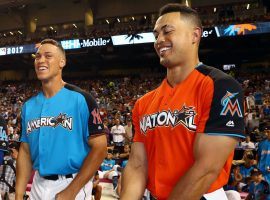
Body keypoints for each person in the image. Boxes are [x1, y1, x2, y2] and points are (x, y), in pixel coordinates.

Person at [121, 3, 245, 200]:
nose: (159, 40)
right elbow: (137, 165)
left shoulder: (221, 86)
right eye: (156, 35)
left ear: (195, 35)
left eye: (167, 31)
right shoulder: (143, 103)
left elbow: (206, 168)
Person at [15, 39, 107, 200]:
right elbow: (25, 150)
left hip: (72, 183)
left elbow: (100, 148)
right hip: (38, 184)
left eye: (48, 56)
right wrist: (19, 194)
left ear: (62, 62)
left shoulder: (82, 99)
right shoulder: (28, 106)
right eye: (37, 57)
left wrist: (71, 192)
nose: (41, 60)